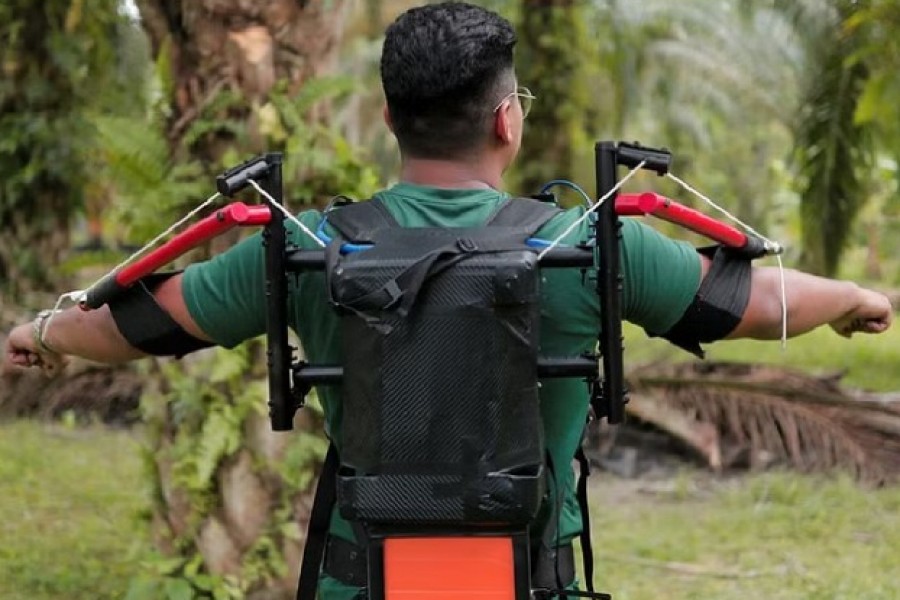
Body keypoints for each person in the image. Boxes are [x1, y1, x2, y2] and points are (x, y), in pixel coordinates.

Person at [4, 2, 893, 598]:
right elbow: (748, 301)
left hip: (366, 579)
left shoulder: (311, 246)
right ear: (507, 120)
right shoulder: (584, 244)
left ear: (391, 118)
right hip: (531, 578)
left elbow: (139, 322)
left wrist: (40, 331)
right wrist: (855, 296)